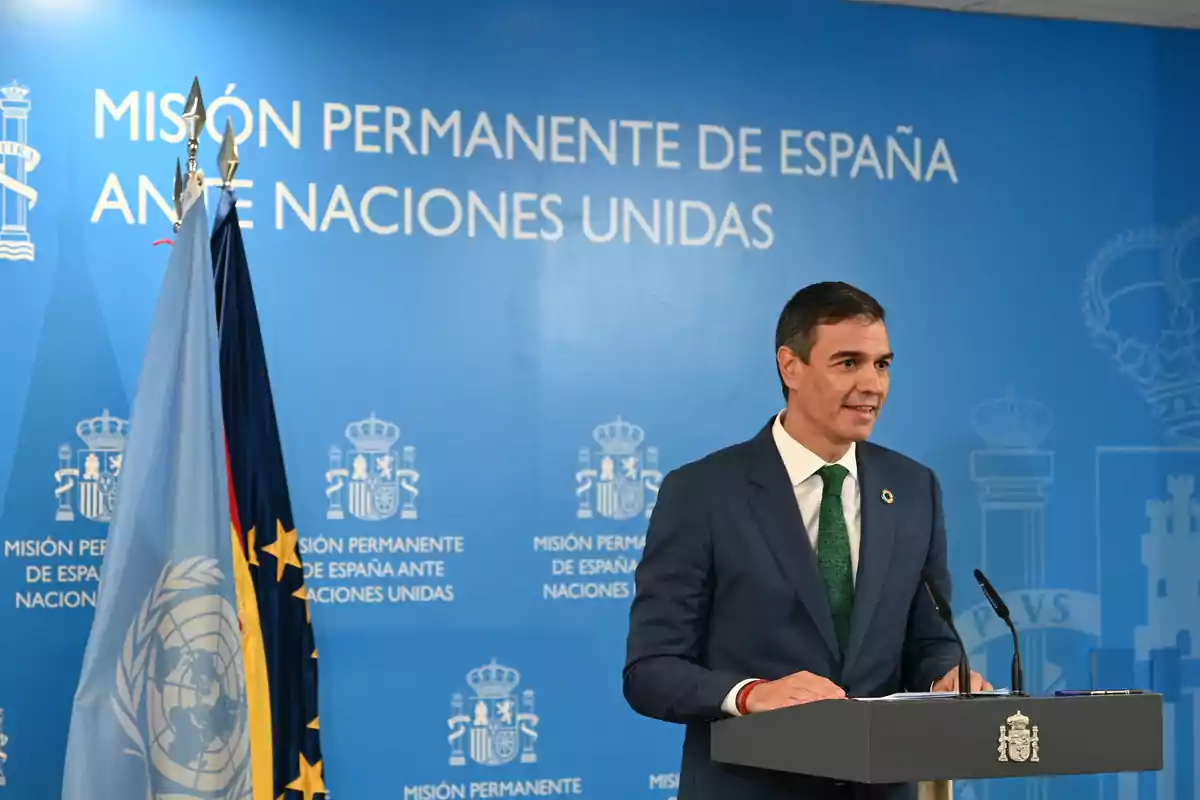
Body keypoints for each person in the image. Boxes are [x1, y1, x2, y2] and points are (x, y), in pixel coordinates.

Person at [623, 281, 990, 800]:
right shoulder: (703, 492)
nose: (872, 385)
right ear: (790, 367)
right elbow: (651, 669)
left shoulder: (913, 489)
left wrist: (947, 680)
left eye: (882, 365)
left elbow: (930, 640)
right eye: (848, 363)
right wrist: (749, 695)